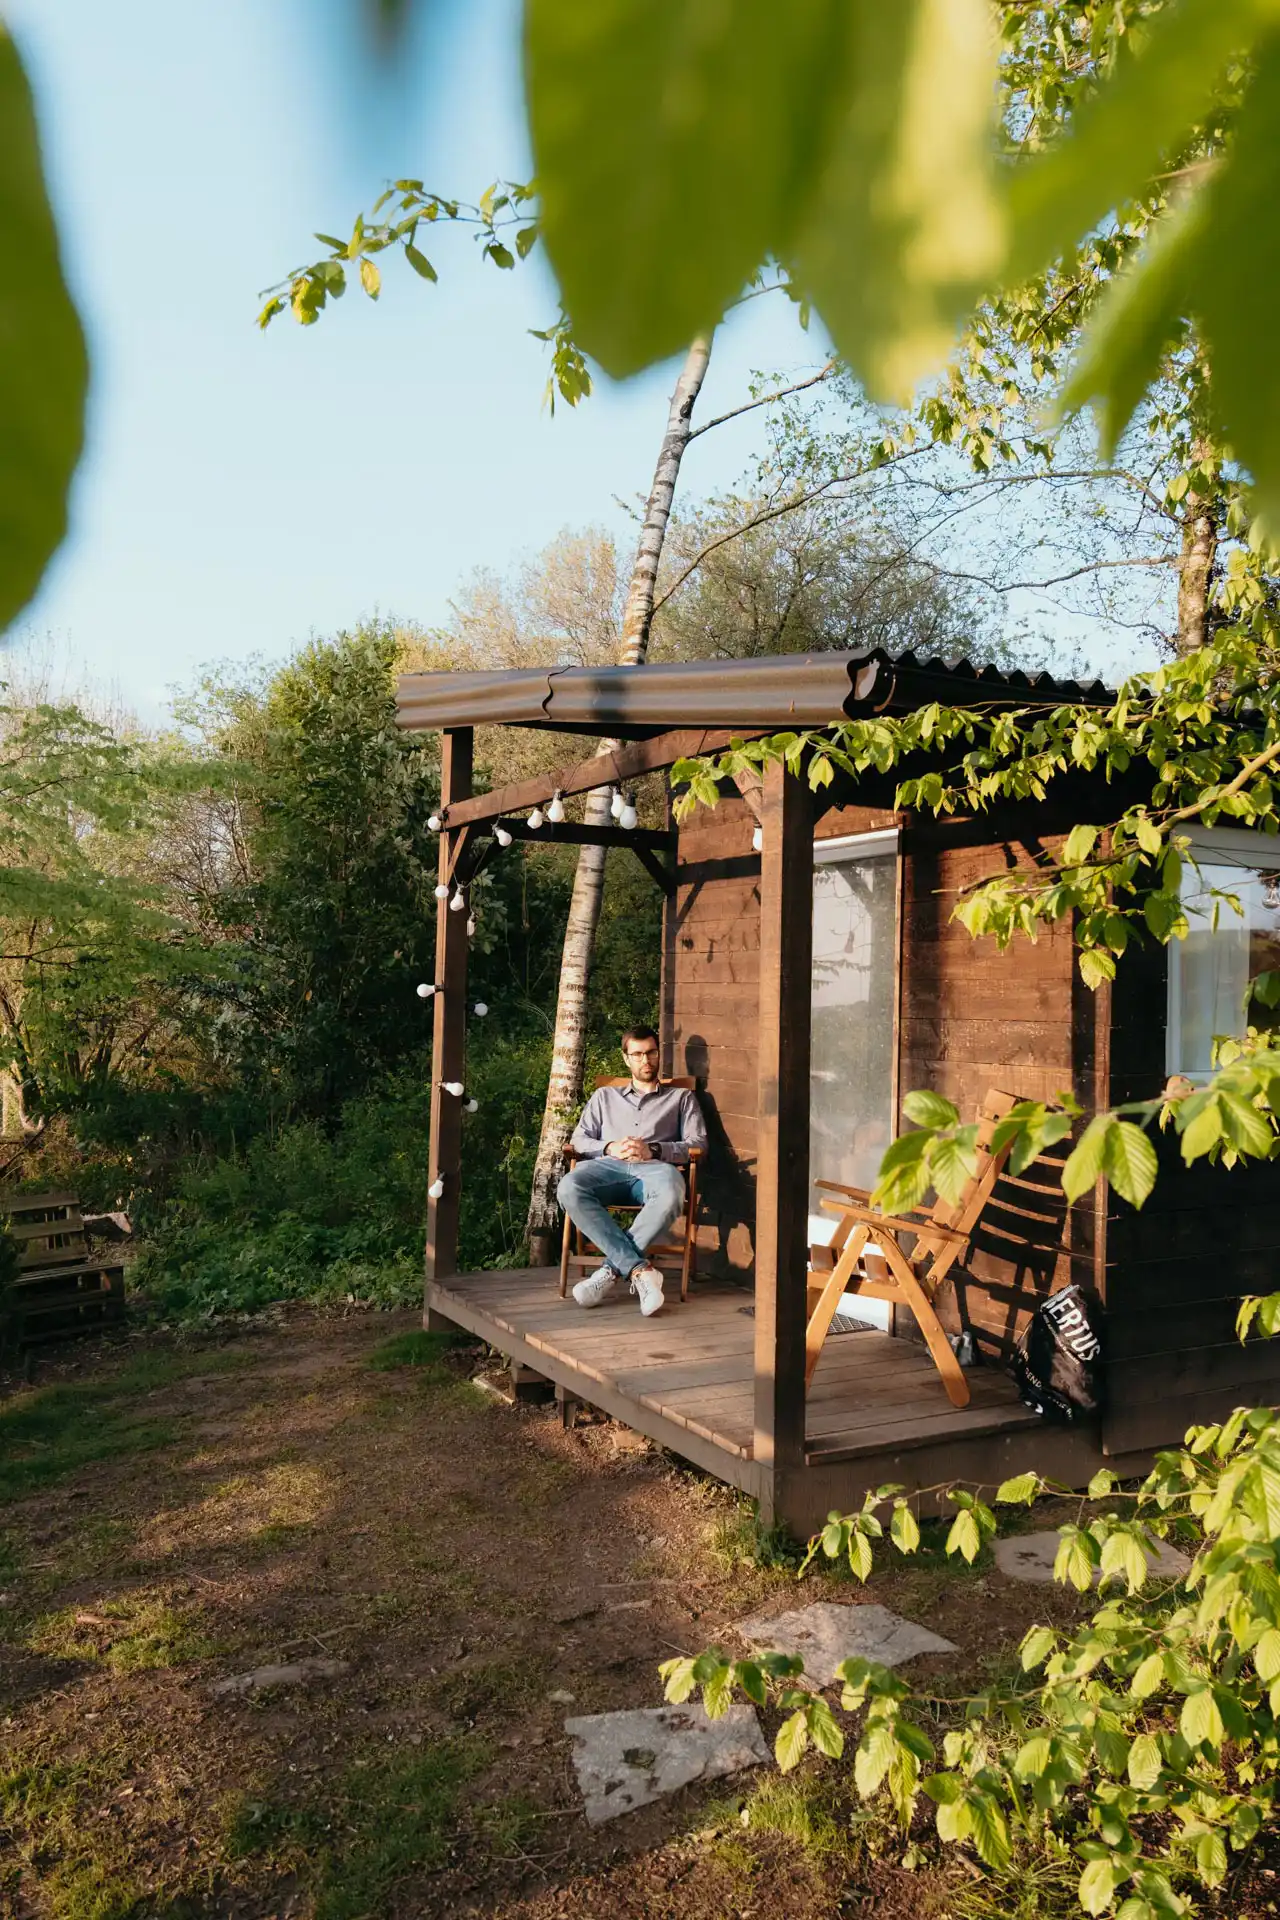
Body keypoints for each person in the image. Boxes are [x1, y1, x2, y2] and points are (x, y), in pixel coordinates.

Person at [559, 1025, 707, 1317]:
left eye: (651, 1052)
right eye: (637, 1054)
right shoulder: (604, 1097)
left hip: (654, 1170)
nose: (646, 1060)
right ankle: (640, 1270)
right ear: (626, 1058)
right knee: (568, 1187)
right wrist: (611, 1147)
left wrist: (654, 1150)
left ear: (658, 1053)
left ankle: (610, 1271)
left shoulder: (681, 1098)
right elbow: (579, 1139)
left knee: (672, 1192)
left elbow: (698, 1143)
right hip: (608, 1168)